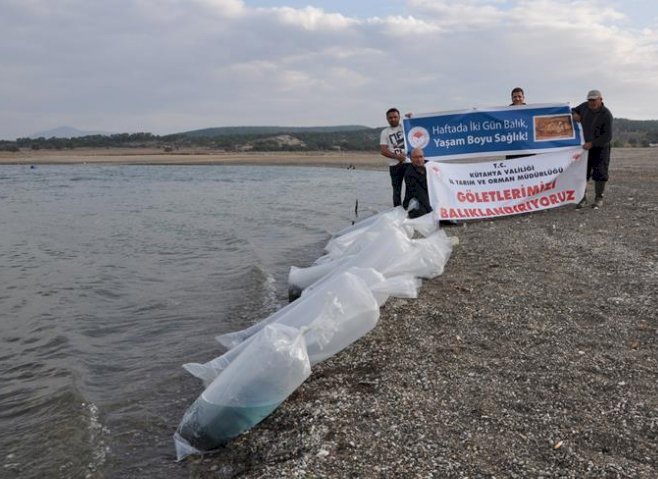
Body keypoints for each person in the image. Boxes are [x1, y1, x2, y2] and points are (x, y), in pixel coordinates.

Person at [572, 90, 613, 209]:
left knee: (600, 173)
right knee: (582, 172)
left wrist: (593, 143)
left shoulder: (606, 114)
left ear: (601, 99)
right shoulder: (584, 106)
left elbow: (607, 136)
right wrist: (574, 114)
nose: (592, 102)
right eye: (590, 100)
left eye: (594, 100)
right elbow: (573, 109)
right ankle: (581, 198)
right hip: (585, 148)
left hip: (601, 148)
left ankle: (599, 198)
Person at [379, 108, 409, 206]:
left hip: (409, 163)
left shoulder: (405, 127)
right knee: (396, 190)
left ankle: (408, 209)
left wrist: (411, 118)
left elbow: (417, 127)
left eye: (395, 117)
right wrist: (397, 157)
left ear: (399, 117)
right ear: (387, 119)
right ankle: (396, 211)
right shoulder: (385, 132)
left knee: (411, 188)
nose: (393, 119)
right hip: (394, 165)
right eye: (390, 117)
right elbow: (383, 150)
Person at [402, 147, 432, 218]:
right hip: (415, 201)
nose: (419, 159)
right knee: (421, 211)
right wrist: (431, 210)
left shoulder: (430, 165)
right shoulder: (409, 174)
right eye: (415, 157)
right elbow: (420, 195)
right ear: (411, 159)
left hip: (429, 197)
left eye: (421, 157)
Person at [506, 87, 533, 159]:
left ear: (523, 97)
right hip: (511, 150)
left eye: (519, 96)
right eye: (515, 97)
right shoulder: (505, 112)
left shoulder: (531, 111)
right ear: (512, 98)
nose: (517, 99)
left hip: (528, 149)